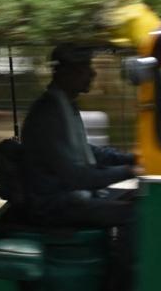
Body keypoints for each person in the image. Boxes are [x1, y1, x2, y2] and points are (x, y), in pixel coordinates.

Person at [20, 45, 137, 227]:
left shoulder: (64, 105)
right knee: (137, 214)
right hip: (55, 205)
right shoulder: (48, 114)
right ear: (65, 73)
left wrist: (130, 159)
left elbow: (85, 151)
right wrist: (129, 171)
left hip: (68, 196)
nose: (92, 74)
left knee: (138, 199)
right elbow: (77, 177)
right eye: (84, 68)